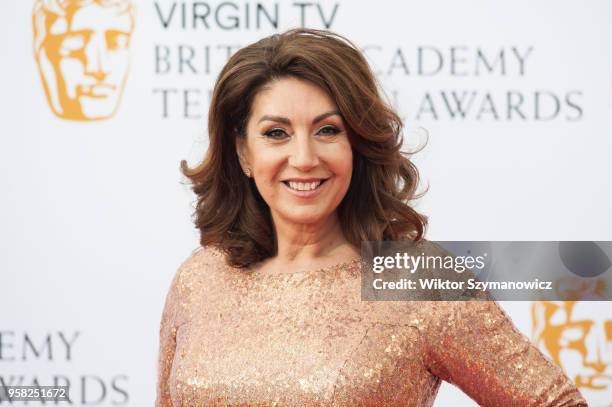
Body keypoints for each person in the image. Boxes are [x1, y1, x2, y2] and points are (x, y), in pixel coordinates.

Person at [156, 28, 587, 406]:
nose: (304, 158)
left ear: (358, 145)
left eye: (328, 130)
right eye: (276, 133)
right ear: (243, 151)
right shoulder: (200, 278)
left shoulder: (414, 281)